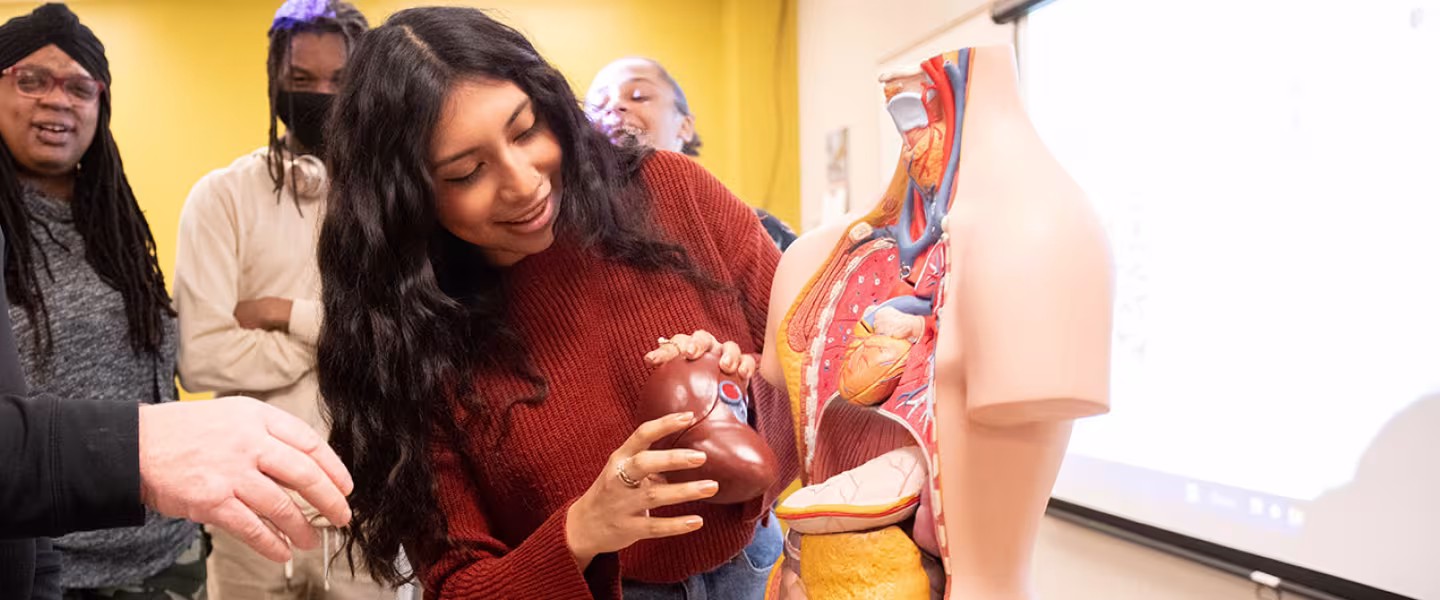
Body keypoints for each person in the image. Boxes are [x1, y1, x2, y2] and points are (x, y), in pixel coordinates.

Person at [316, 7, 797, 599]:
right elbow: (459, 586)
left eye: (524, 131)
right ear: (408, 201)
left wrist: (744, 387)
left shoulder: (674, 193)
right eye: (467, 172)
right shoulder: (415, 339)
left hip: (763, 566)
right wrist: (582, 529)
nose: (524, 182)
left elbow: (815, 370)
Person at [172, 1, 387, 597]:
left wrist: (282, 315)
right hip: (248, 508)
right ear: (274, 81)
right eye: (301, 80)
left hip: (366, 513)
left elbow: (405, 343)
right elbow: (203, 356)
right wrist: (341, 342)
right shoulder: (222, 198)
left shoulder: (393, 205)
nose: (320, 95)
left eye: (339, 81)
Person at [0, 3, 206, 596]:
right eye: (31, 79)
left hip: (169, 552)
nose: (57, 100)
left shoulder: (112, 226)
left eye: (79, 86)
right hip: (59, 568)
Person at [586, 57, 799, 252]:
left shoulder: (760, 232)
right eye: (599, 104)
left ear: (685, 126)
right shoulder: (577, 236)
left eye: (638, 96)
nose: (614, 105)